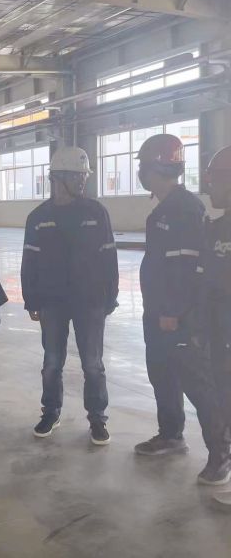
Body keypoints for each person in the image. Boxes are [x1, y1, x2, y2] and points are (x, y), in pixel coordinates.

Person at [133, 133, 230, 486]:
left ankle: (220, 452)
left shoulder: (184, 209)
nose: (141, 174)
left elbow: (188, 269)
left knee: (201, 385)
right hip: (159, 311)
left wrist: (173, 311)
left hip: (178, 316)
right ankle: (171, 435)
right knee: (162, 372)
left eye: (144, 167)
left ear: (156, 169)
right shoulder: (166, 209)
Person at [21, 147, 118, 445]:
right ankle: (50, 412)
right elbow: (29, 262)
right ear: (57, 177)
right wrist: (31, 299)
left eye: (83, 176)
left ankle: (97, 418)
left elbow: (109, 257)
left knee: (93, 364)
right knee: (52, 362)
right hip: (52, 302)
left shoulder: (96, 213)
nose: (82, 181)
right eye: (76, 176)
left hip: (90, 301)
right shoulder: (38, 217)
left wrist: (110, 296)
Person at [200, 146, 231, 503]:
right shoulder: (216, 227)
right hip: (218, 333)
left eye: (216, 179)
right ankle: (223, 455)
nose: (210, 186)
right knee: (222, 396)